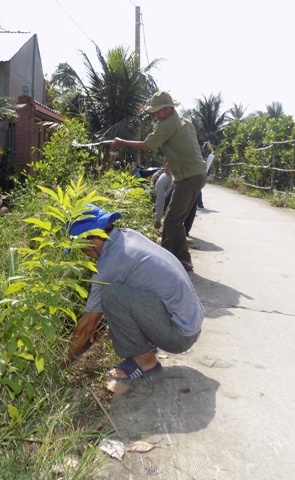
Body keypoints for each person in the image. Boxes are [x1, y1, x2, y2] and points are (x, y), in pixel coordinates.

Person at [66, 205, 204, 382]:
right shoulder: (127, 235)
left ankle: (144, 359)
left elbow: (86, 327)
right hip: (191, 322)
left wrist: (60, 365)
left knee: (111, 294)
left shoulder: (109, 265)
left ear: (92, 239)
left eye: (82, 249)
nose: (84, 255)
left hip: (180, 336)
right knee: (119, 293)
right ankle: (147, 344)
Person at [111, 91, 206, 271]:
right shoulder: (184, 121)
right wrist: (172, 161)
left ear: (169, 108)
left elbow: (148, 145)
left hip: (189, 177)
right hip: (193, 174)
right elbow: (187, 146)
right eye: (154, 111)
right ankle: (167, 255)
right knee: (173, 218)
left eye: (159, 111)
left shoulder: (167, 124)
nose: (156, 114)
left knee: (172, 220)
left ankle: (183, 259)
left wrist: (122, 141)